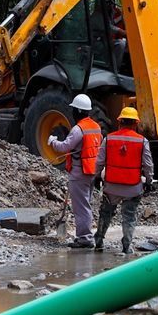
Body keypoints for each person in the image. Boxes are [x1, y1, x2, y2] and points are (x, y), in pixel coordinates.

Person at [95, 106, 153, 255]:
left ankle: (99, 241)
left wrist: (96, 177)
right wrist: (148, 181)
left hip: (111, 186)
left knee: (105, 214)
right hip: (132, 188)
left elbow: (99, 161)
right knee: (129, 217)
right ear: (135, 123)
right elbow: (148, 164)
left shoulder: (109, 139)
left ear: (120, 122)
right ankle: (127, 245)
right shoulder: (142, 141)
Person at [48, 93, 102, 248]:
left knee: (81, 207)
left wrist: (53, 142)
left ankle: (85, 238)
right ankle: (85, 235)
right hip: (92, 171)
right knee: (86, 204)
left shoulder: (79, 129)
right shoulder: (96, 127)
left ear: (78, 111)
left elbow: (65, 147)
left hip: (80, 173)